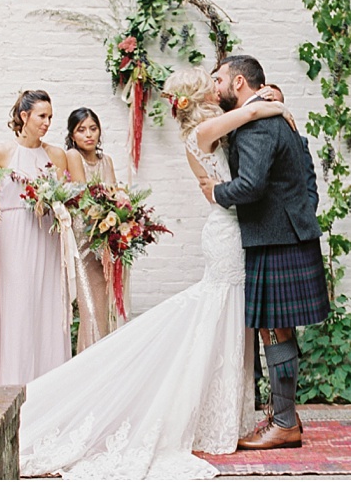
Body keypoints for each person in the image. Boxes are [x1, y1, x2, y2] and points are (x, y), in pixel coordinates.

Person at [18, 67, 293, 479]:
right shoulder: (203, 133)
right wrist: (276, 104)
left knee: (230, 323)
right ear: (201, 99)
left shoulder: (214, 132)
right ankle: (209, 417)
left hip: (234, 231)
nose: (219, 89)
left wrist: (270, 96)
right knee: (218, 317)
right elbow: (250, 115)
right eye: (212, 86)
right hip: (226, 235)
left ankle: (225, 415)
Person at [201, 55, 329, 450]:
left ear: (239, 82)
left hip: (274, 239)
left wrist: (216, 193)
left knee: (274, 329)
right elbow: (308, 178)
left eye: (219, 79)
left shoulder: (257, 124)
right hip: (286, 234)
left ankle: (285, 422)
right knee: (279, 329)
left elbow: (251, 186)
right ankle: (284, 417)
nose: (215, 86)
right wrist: (301, 214)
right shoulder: (278, 118)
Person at [0, 90, 70, 385]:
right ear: (24, 116)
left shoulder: (56, 155)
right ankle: (12, 382)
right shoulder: (2, 153)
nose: (47, 122)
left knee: (47, 307)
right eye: (41, 116)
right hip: (15, 236)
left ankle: (48, 384)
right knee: (16, 307)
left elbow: (66, 195)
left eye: (50, 117)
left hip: (46, 236)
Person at [251, 83, 320, 409]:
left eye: (275, 101)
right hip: (257, 237)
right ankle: (278, 410)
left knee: (279, 328)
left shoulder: (295, 140)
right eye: (264, 98)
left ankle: (284, 415)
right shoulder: (245, 129)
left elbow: (309, 188)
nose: (269, 104)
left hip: (284, 237)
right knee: (267, 328)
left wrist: (298, 219)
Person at [65, 107, 119, 353]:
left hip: (105, 239)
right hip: (84, 240)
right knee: (89, 305)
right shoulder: (73, 156)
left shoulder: (106, 160)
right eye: (81, 130)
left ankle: (106, 356)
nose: (89, 135)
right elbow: (85, 197)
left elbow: (116, 196)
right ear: (72, 135)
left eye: (93, 128)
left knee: (106, 303)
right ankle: (90, 359)